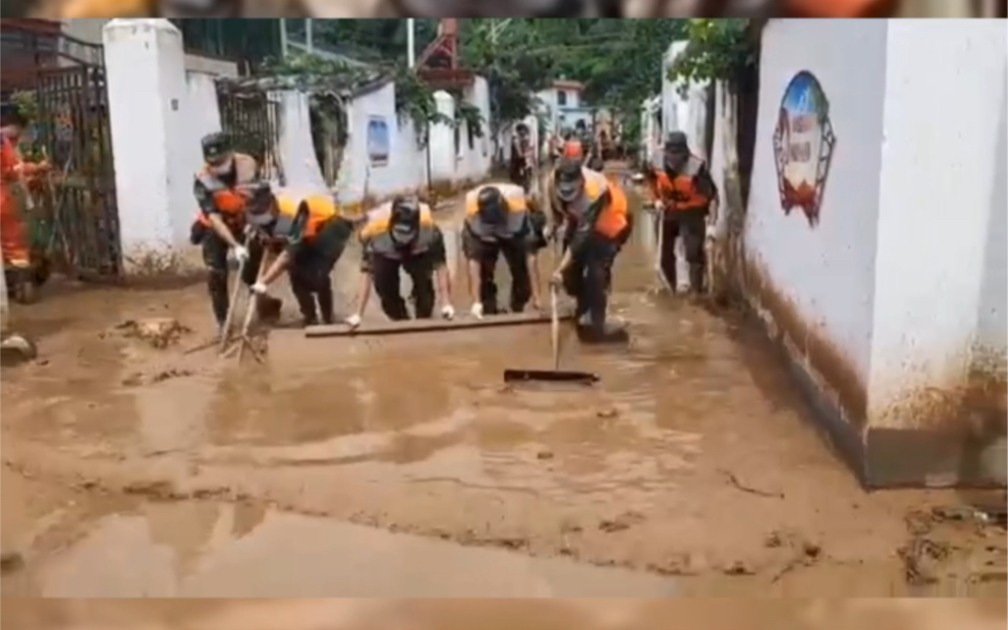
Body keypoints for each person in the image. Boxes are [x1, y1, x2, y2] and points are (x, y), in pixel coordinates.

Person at [242, 184, 354, 327]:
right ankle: (310, 317)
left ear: (273, 205)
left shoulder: (294, 212)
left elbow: (287, 255)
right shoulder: (257, 211)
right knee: (295, 273)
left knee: (317, 273)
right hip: (306, 232)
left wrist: (263, 281)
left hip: (330, 224)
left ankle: (327, 318)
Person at [547, 157, 633, 342]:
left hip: (610, 226)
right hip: (579, 221)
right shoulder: (552, 180)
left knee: (596, 272)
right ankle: (583, 306)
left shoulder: (595, 191)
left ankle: (597, 323)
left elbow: (580, 240)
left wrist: (558, 270)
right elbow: (557, 206)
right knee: (570, 275)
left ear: (581, 183)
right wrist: (555, 223)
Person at [189, 132, 263, 330]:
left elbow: (259, 197)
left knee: (252, 270)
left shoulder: (248, 165)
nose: (217, 167)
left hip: (244, 220)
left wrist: (254, 223)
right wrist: (236, 246)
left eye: (221, 161)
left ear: (231, 153)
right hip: (215, 226)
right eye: (212, 163)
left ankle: (262, 305)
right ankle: (223, 322)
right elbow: (214, 218)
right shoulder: (202, 180)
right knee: (216, 274)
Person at [346, 195, 454, 327]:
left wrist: (446, 303)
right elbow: (366, 273)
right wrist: (358, 313)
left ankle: (423, 316)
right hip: (386, 253)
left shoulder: (430, 231)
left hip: (417, 251)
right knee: (385, 290)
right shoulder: (373, 233)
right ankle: (401, 320)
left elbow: (441, 266)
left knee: (425, 290)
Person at [647, 131, 719, 295]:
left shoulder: (696, 168)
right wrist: (656, 199)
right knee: (664, 253)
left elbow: (713, 197)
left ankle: (696, 293)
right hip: (668, 209)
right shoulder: (656, 160)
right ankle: (670, 289)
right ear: (665, 152)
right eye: (670, 154)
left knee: (693, 253)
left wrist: (712, 225)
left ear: (685, 153)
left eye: (678, 154)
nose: (673, 159)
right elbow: (650, 180)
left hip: (692, 211)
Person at [461, 183, 543, 319]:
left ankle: (518, 305)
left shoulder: (519, 209)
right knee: (484, 275)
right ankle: (487, 308)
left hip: (513, 230)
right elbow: (474, 260)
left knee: (522, 274)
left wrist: (537, 297)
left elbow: (530, 256)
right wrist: (476, 302)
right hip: (484, 232)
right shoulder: (472, 215)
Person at [0, 110, 49, 302]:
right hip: (5, 199)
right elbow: (13, 170)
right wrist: (38, 168)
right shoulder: (3, 143)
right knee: (15, 243)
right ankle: (22, 285)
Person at [510, 123, 535, 192]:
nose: (522, 132)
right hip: (519, 161)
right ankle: (522, 189)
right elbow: (519, 152)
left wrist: (527, 160)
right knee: (519, 177)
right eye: (520, 131)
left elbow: (527, 151)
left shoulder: (525, 139)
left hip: (524, 161)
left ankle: (525, 189)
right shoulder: (516, 139)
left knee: (525, 177)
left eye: (523, 131)